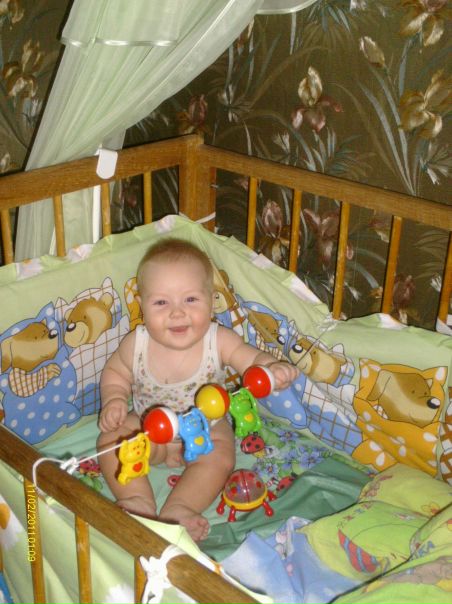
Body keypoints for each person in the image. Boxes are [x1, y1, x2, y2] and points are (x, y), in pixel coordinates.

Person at [97, 238, 299, 541]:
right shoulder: (136, 344)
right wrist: (114, 398)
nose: (177, 313)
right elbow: (115, 373)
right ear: (142, 304)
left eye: (190, 299)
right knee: (111, 440)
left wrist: (271, 368)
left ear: (211, 300)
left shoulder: (219, 340)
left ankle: (181, 507)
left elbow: (250, 359)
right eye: (161, 303)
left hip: (207, 430)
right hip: (149, 431)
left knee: (221, 457)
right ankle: (137, 499)